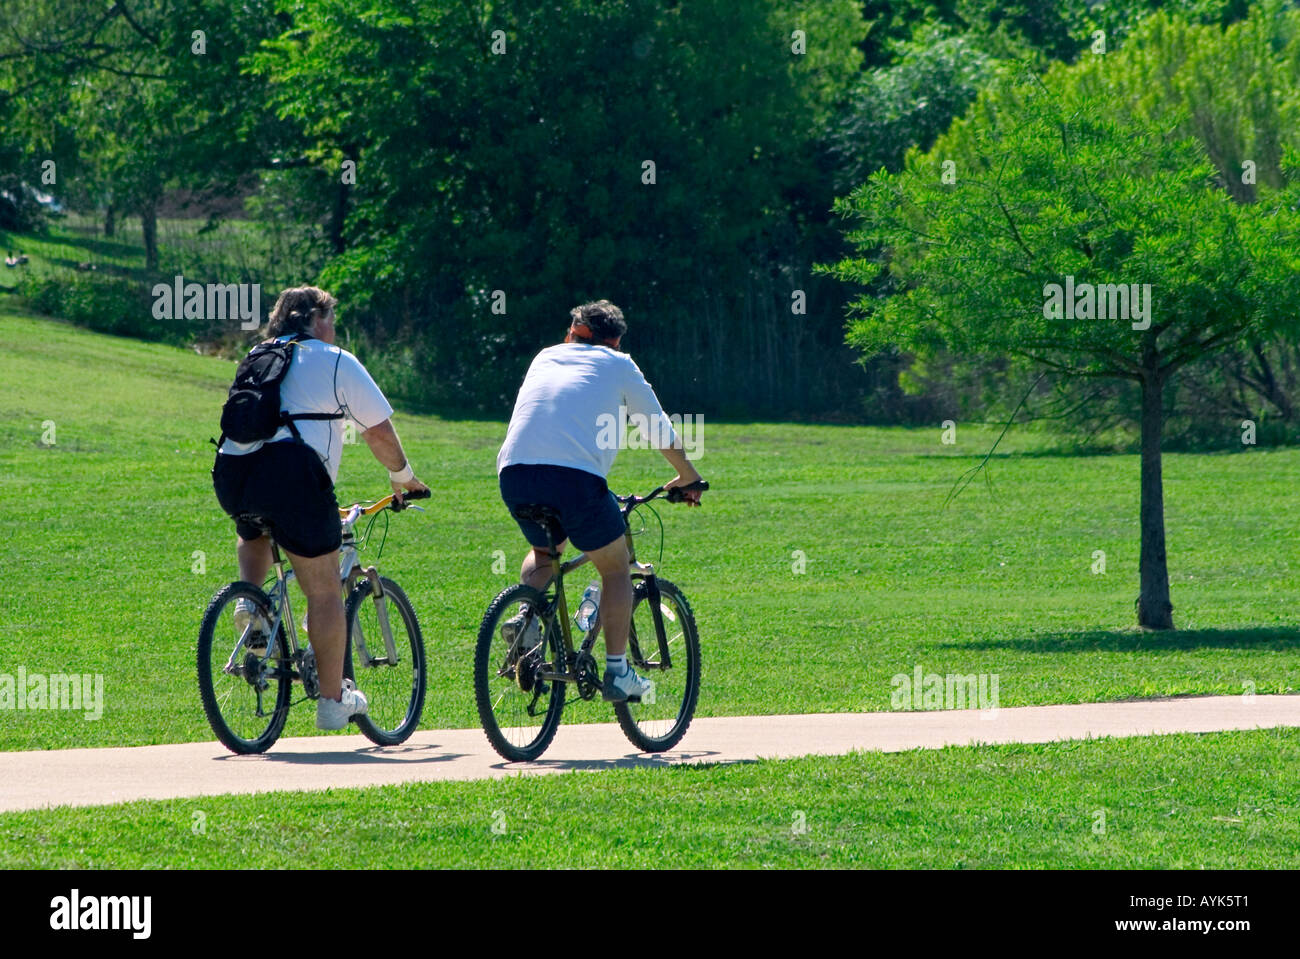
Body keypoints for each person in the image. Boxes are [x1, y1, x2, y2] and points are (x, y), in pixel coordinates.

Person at [212, 286, 429, 729]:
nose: (333, 331)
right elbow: (378, 432)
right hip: (295, 480)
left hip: (233, 474)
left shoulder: (258, 355)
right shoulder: (335, 361)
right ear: (314, 320)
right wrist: (403, 478)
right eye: (330, 320)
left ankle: (249, 601)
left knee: (253, 525)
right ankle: (332, 701)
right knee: (325, 589)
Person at [497, 300, 703, 701]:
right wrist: (688, 476)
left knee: (545, 552)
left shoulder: (545, 356)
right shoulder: (619, 365)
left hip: (515, 473)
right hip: (574, 480)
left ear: (571, 332)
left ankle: (527, 618)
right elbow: (657, 426)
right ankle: (617, 672)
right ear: (616, 341)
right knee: (615, 570)